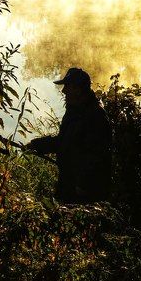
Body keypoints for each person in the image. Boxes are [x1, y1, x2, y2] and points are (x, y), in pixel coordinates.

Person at [25, 67, 112, 204]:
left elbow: (97, 156)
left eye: (67, 86)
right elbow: (63, 141)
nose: (64, 91)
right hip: (68, 182)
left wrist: (83, 185)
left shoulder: (95, 116)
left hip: (83, 190)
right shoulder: (74, 110)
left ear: (78, 89)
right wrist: (36, 145)